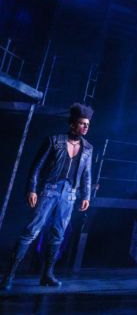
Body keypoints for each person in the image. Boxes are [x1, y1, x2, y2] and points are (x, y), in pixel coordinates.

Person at [1, 103, 93, 290]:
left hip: (69, 195)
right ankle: (9, 276)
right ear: (72, 123)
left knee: (58, 234)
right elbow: (36, 167)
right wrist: (32, 189)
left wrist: (86, 195)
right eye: (82, 123)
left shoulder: (88, 148)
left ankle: (47, 275)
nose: (85, 127)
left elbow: (87, 174)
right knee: (31, 231)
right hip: (49, 191)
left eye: (88, 124)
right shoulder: (54, 140)